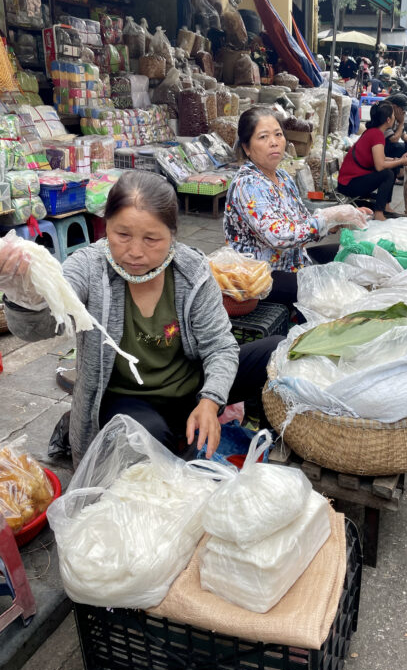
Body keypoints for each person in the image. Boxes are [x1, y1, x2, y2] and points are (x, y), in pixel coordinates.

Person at [0, 171, 281, 467]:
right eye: (122, 235)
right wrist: (25, 296)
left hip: (190, 389)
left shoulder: (192, 271)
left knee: (276, 352)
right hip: (127, 400)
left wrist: (210, 401)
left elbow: (219, 347)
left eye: (151, 239)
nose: (135, 252)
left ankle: (269, 444)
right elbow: (43, 326)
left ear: (172, 234)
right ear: (106, 226)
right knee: (150, 441)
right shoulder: (89, 267)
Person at [224, 107, 369, 312]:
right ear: (247, 147)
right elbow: (280, 237)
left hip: (293, 262)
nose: (274, 142)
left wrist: (337, 223)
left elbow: (302, 222)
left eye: (278, 134)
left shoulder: (282, 178)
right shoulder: (248, 184)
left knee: (351, 256)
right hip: (262, 275)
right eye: (263, 137)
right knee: (330, 291)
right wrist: (328, 216)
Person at [338, 101, 407, 220]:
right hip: (349, 183)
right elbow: (379, 166)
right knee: (387, 173)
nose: (395, 117)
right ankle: (379, 214)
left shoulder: (372, 132)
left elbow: (380, 158)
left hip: (350, 181)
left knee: (391, 168)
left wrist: (398, 159)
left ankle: (385, 207)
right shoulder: (376, 135)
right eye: (393, 115)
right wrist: (401, 162)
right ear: (388, 120)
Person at [384, 93, 407, 177]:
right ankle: (396, 172)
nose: (404, 112)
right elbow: (394, 139)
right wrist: (401, 122)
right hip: (381, 147)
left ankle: (404, 168)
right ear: (394, 107)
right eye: (402, 109)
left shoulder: (397, 118)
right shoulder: (386, 116)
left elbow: (404, 136)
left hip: (389, 146)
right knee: (398, 147)